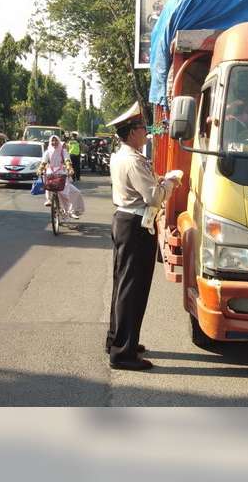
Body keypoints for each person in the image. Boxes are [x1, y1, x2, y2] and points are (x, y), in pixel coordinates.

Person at [105, 102, 178, 371]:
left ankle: (118, 340)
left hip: (126, 220)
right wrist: (171, 182)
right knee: (132, 289)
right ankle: (123, 353)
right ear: (132, 132)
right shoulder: (133, 159)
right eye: (142, 128)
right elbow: (154, 197)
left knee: (122, 285)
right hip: (136, 223)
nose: (146, 132)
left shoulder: (122, 155)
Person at [39, 135, 84, 219]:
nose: (54, 142)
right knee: (48, 184)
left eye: (56, 141)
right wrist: (40, 169)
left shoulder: (63, 151)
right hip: (50, 174)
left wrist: (69, 168)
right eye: (52, 141)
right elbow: (43, 163)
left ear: (59, 142)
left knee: (75, 192)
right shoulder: (47, 152)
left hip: (61, 174)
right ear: (50, 142)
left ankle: (71, 211)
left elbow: (67, 161)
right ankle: (48, 199)